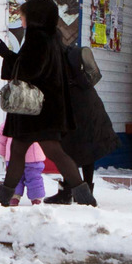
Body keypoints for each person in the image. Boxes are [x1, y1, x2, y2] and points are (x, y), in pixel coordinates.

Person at [0, 0, 95, 207]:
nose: (20, 17)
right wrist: (12, 57)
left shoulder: (37, 38)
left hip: (36, 110)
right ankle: (1, 199)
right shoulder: (50, 37)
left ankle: (87, 201)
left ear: (34, 17)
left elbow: (31, 71)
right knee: (23, 151)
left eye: (23, 14)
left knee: (50, 152)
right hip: (46, 109)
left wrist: (7, 56)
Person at [50, 42, 117, 202]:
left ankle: (66, 192)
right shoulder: (76, 52)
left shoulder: (54, 57)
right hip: (90, 102)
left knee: (66, 148)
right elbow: (92, 76)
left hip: (71, 105)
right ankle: (86, 191)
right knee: (87, 148)